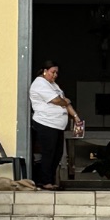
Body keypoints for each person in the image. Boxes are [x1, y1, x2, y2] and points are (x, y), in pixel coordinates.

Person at [29, 61, 80, 190]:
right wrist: (65, 101)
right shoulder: (40, 83)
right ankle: (45, 181)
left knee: (57, 154)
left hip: (57, 125)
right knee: (48, 153)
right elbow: (57, 100)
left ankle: (50, 180)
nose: (55, 75)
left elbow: (64, 102)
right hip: (46, 123)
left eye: (56, 72)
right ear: (44, 71)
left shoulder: (54, 85)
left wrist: (75, 117)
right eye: (53, 72)